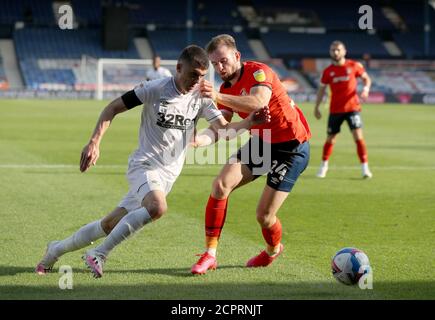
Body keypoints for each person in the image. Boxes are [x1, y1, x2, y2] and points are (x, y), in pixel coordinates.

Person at [35, 45, 270, 278]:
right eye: (192, 75)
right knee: (158, 207)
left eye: (201, 77)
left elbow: (225, 131)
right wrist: (94, 142)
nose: (195, 81)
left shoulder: (202, 98)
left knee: (108, 225)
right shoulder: (155, 88)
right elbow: (112, 108)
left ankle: (54, 250)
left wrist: (249, 122)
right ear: (179, 68)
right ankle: (99, 254)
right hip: (143, 166)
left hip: (167, 176)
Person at [190, 34, 311, 275]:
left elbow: (258, 102)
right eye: (214, 64)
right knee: (220, 185)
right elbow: (222, 130)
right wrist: (197, 141)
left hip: (291, 148)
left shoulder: (259, 72)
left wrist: (216, 96)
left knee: (264, 216)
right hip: (261, 143)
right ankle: (209, 255)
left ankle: (272, 250)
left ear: (237, 56)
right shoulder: (226, 87)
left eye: (223, 61)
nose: (219, 67)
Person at [314, 40, 373, 179]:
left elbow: (366, 79)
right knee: (331, 138)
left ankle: (365, 168)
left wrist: (366, 89)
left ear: (344, 51)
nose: (335, 52)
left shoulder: (354, 65)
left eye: (338, 50)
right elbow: (321, 90)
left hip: (353, 108)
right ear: (330, 52)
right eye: (333, 50)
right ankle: (324, 166)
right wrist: (316, 107)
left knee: (358, 137)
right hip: (335, 110)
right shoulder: (328, 72)